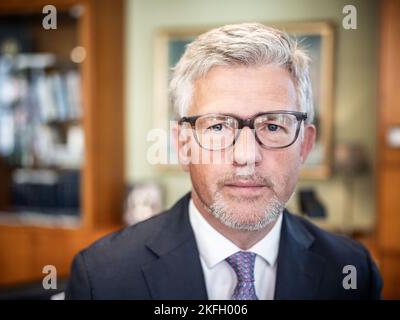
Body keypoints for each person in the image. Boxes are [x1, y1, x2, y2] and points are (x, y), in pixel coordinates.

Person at [66, 23, 382, 300]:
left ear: (304, 145)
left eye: (273, 127)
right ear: (183, 145)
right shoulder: (103, 277)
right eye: (218, 127)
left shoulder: (353, 270)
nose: (246, 156)